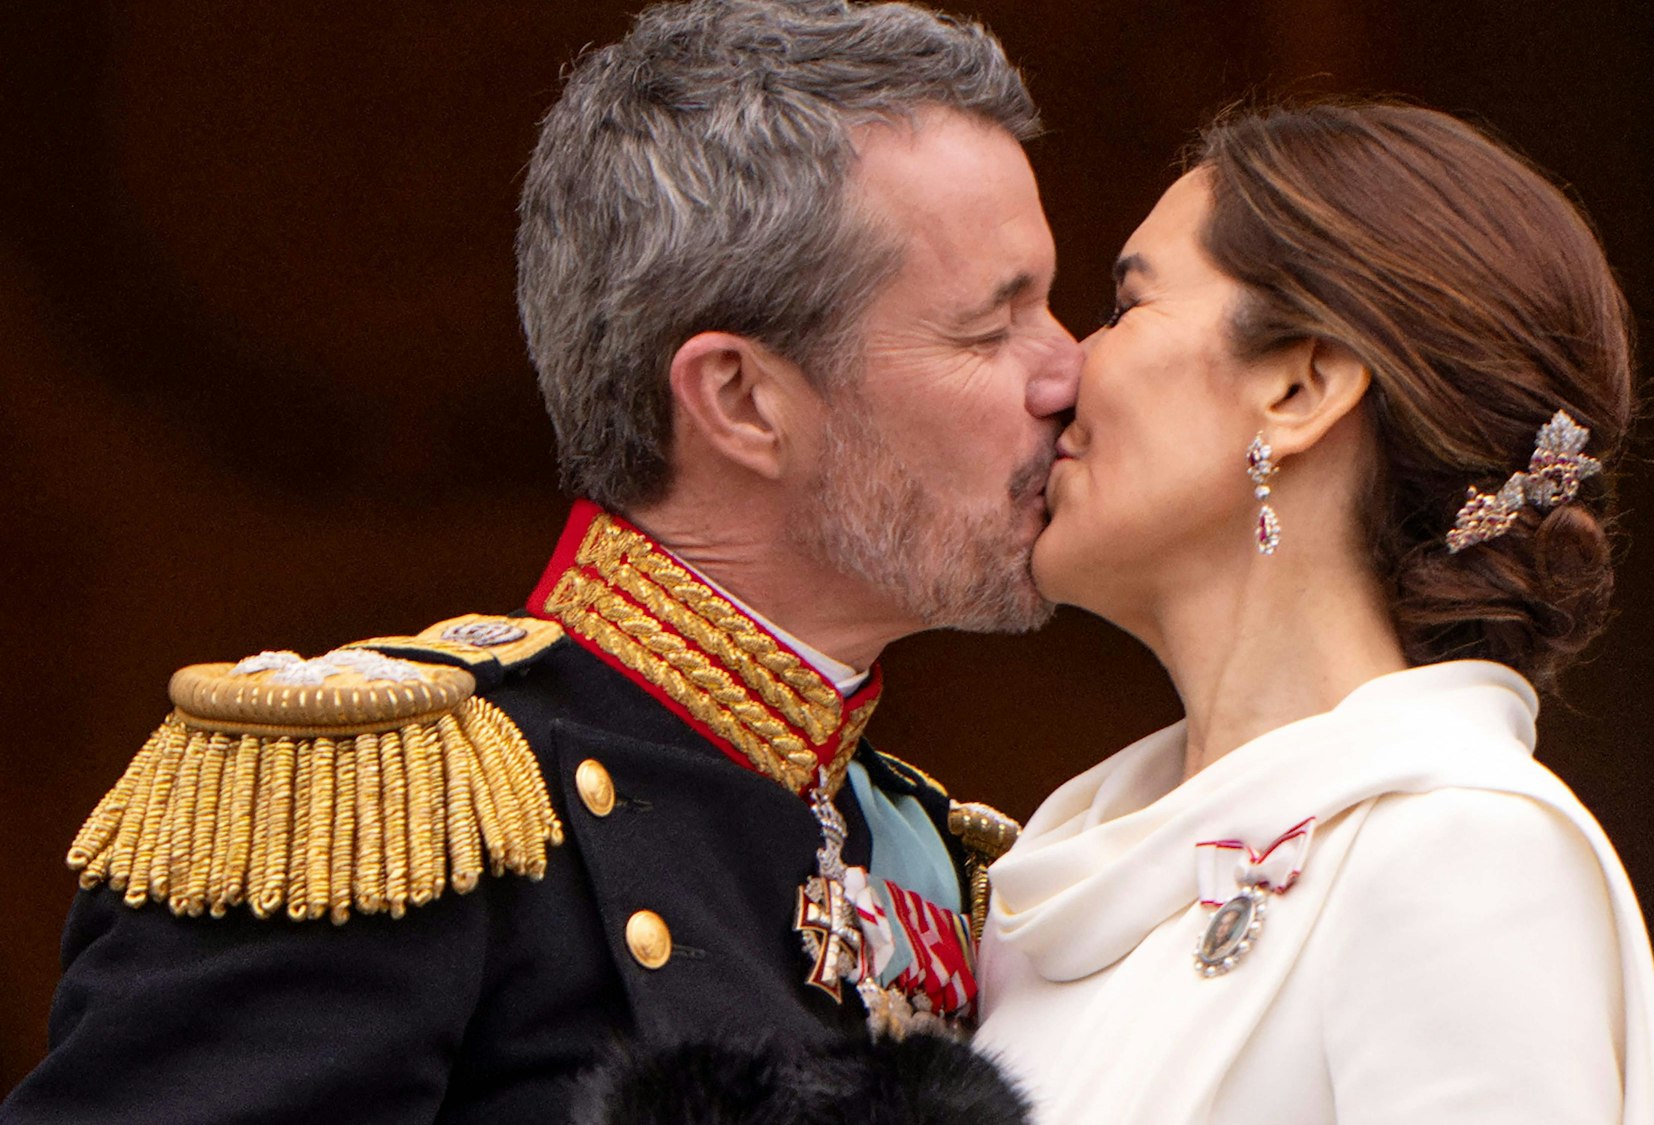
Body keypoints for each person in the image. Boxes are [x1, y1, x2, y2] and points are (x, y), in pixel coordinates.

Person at [2, 2, 1077, 1122]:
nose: (1068, 374)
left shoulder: (933, 854)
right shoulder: (393, 813)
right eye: (989, 329)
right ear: (739, 398)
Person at [972, 101, 1654, 1124]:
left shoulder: (1458, 852)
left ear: (1299, 388)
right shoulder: (1059, 883)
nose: (1067, 368)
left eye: (1125, 309)